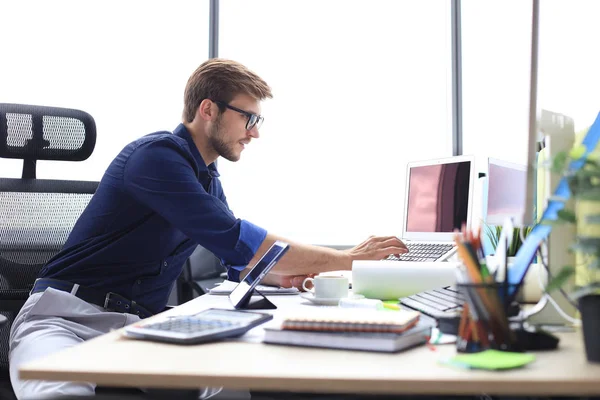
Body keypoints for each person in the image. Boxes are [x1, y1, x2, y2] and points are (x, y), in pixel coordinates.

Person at [8, 58, 408, 400]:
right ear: (208, 110)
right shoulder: (157, 157)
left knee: (226, 381)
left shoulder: (207, 179)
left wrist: (289, 275)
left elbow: (241, 259)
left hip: (135, 326)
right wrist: (347, 259)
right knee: (60, 395)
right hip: (64, 318)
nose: (254, 132)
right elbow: (240, 240)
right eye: (248, 118)